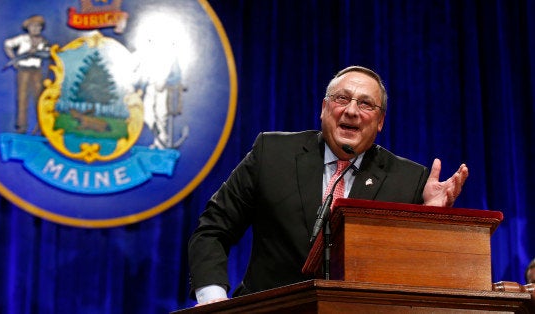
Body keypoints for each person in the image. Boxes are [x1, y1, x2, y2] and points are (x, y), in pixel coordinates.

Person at [187, 65, 469, 305]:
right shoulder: (272, 153)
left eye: (366, 104)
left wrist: (431, 221)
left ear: (380, 121)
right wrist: (214, 301)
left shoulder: (408, 180)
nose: (351, 111)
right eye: (341, 99)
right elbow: (213, 229)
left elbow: (415, 272)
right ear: (324, 109)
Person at [3, 15, 49, 134]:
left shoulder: (44, 42)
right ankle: (21, 127)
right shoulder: (22, 39)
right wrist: (14, 59)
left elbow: (48, 54)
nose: (35, 29)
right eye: (32, 26)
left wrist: (38, 53)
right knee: (22, 98)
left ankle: (42, 127)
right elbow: (7, 44)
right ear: (28, 27)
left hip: (36, 71)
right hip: (23, 71)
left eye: (38, 26)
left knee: (39, 99)